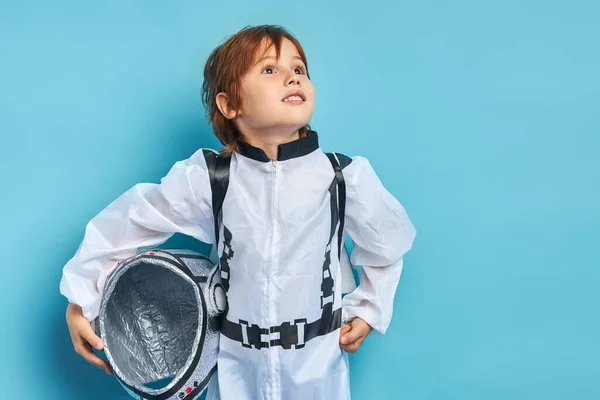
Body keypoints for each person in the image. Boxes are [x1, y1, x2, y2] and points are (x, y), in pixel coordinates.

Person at [60, 24, 416, 400]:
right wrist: (81, 300)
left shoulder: (343, 178)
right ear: (230, 105)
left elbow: (389, 245)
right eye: (269, 70)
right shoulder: (211, 178)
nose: (292, 78)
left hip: (317, 371)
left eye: (299, 70)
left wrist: (369, 310)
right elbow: (128, 222)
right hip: (235, 371)